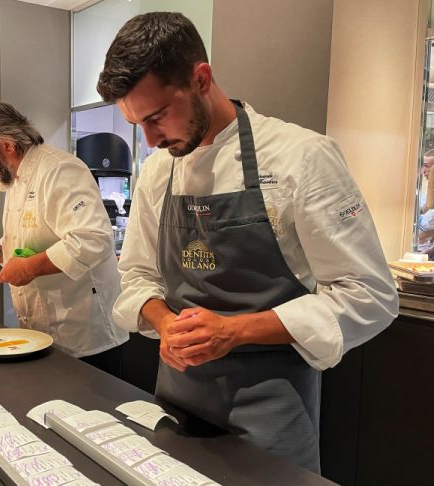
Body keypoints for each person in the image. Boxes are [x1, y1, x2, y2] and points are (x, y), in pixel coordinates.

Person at [97, 12, 398, 472]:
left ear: (201, 78)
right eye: (138, 123)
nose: (150, 139)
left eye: (157, 117)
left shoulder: (302, 157)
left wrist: (234, 331)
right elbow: (136, 273)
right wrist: (163, 322)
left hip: (272, 411)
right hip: (175, 404)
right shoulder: (160, 170)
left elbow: (370, 295)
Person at [0, 100, 129, 376]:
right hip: (41, 333)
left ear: (7, 144)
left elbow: (93, 240)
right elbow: (28, 240)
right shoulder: (14, 181)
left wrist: (30, 267)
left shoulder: (59, 170)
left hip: (84, 338)